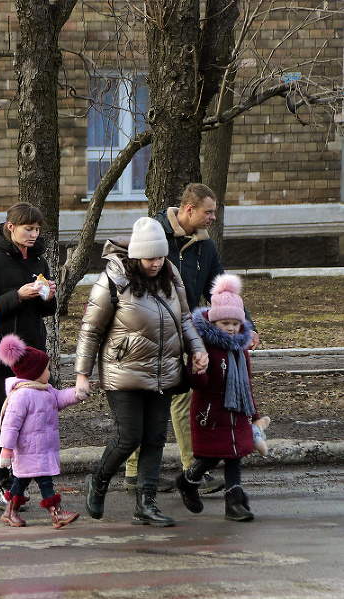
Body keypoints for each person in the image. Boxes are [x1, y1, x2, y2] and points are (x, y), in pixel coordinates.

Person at [125, 183, 260, 494]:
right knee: (147, 398)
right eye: (208, 212)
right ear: (189, 210)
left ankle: (193, 468)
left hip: (186, 333)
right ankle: (134, 470)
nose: (213, 217)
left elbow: (222, 290)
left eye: (214, 211)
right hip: (151, 334)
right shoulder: (156, 235)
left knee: (185, 398)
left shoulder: (205, 247)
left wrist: (247, 326)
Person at [75, 217, 208, 527]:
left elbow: (185, 319)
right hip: (124, 371)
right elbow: (90, 329)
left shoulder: (171, 276)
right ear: (136, 256)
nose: (156, 263)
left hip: (165, 371)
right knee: (129, 436)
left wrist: (197, 349)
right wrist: (83, 373)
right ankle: (99, 480)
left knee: (155, 438)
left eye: (160, 257)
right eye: (150, 258)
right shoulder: (112, 280)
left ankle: (145, 504)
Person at [0, 202, 58, 508]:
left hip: (31, 354)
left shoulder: (39, 262)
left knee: (32, 420)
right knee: (5, 418)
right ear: (11, 227)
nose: (33, 234)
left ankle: (23, 480)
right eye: (27, 229)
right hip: (0, 353)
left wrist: (48, 296)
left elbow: (48, 311)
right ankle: (3, 483)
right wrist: (17, 296)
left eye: (36, 229)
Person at [175, 274, 262, 522]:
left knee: (236, 455)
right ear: (214, 322)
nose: (232, 328)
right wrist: (196, 368)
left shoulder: (240, 348)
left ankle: (234, 501)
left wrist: (254, 415)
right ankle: (187, 481)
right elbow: (199, 384)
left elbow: (246, 384)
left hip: (237, 411)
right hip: (211, 411)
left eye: (236, 323)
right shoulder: (205, 347)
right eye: (225, 323)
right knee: (210, 458)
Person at [0, 334, 83, 529]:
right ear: (33, 372)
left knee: (22, 481)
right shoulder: (22, 395)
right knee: (44, 480)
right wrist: (6, 449)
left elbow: (60, 398)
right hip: (27, 449)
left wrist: (77, 394)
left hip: (42, 448)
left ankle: (10, 511)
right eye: (46, 369)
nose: (49, 373)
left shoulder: (45, 390)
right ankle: (56, 514)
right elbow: (10, 425)